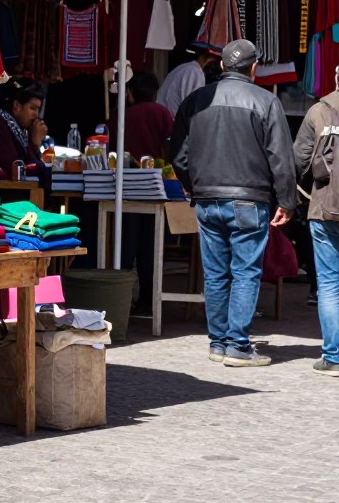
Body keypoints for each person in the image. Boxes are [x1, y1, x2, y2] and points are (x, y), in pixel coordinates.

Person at [168, 39, 296, 367]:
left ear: (223, 66)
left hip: (207, 198)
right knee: (245, 272)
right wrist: (287, 200)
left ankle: (218, 342)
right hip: (249, 200)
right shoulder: (266, 101)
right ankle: (237, 346)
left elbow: (177, 153)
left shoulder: (196, 100)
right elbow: (281, 157)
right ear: (254, 69)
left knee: (215, 274)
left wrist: (191, 184)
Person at [291, 68, 339, 377]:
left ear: (336, 79)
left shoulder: (319, 111)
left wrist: (287, 198)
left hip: (325, 209)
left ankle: (333, 357)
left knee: (330, 284)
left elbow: (298, 160)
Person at [113, 72, 174, 311]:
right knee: (151, 246)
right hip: (154, 186)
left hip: (125, 186)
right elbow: (171, 145)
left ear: (131, 92)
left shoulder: (122, 115)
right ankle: (149, 299)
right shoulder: (161, 113)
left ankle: (121, 299)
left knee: (126, 245)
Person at [0, 78, 47, 175]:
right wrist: (33, 144)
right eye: (32, 108)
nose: (36, 115)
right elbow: (15, 170)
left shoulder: (17, 128)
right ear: (17, 105)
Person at [157, 42, 221, 114]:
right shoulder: (194, 72)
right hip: (172, 120)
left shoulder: (185, 68)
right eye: (216, 58)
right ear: (207, 55)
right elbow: (194, 108)